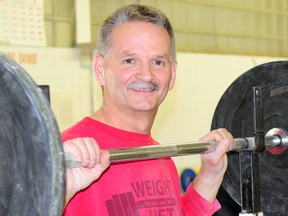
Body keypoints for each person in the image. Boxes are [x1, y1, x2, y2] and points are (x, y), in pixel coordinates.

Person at [62, 4, 233, 216]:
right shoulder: (65, 158)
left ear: (172, 74)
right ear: (100, 69)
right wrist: (61, 192)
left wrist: (210, 174)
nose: (146, 75)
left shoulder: (161, 159)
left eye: (158, 62)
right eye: (130, 60)